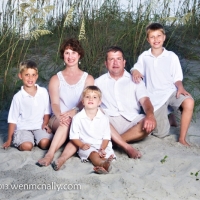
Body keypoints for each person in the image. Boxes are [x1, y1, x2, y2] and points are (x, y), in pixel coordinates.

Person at [130, 22, 194, 146]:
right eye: (152, 37)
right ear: (148, 39)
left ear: (164, 37)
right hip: (154, 97)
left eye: (159, 36)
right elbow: (135, 68)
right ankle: (170, 117)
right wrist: (135, 71)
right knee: (161, 133)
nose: (156, 39)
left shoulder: (171, 56)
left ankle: (182, 138)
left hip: (170, 92)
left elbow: (177, 77)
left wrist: (180, 87)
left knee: (189, 101)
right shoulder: (144, 56)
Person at [37, 38, 94, 170]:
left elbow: (85, 102)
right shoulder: (56, 78)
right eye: (67, 53)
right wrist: (61, 115)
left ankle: (61, 159)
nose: (70, 56)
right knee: (66, 123)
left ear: (79, 55)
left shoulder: (88, 78)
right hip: (58, 118)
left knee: (76, 128)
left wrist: (74, 111)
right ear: (63, 55)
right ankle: (49, 155)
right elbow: (55, 103)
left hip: (79, 117)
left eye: (74, 52)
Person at [95, 46, 156, 159]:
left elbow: (145, 101)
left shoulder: (136, 80)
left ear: (124, 62)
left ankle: (114, 143)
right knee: (96, 111)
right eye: (111, 59)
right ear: (106, 63)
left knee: (150, 123)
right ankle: (126, 146)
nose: (115, 62)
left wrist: (150, 115)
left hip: (131, 121)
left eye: (118, 59)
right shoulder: (98, 82)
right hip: (109, 122)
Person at [3, 60, 53, 151]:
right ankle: (26, 140)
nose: (30, 78)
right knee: (27, 146)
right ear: (20, 76)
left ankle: (37, 139)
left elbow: (47, 112)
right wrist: (9, 140)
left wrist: (45, 124)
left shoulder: (43, 92)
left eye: (33, 75)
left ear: (37, 76)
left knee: (45, 143)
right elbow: (12, 119)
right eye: (27, 75)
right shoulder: (18, 97)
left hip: (39, 126)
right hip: (23, 128)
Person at [69, 86, 115, 174]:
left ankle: (104, 165)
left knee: (105, 155)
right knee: (93, 154)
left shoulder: (104, 118)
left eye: (94, 97)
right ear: (83, 101)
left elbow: (106, 136)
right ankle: (102, 164)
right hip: (87, 146)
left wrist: (102, 148)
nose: (91, 99)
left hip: (102, 145)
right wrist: (81, 145)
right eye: (87, 97)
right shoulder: (77, 118)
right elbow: (74, 137)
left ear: (99, 102)